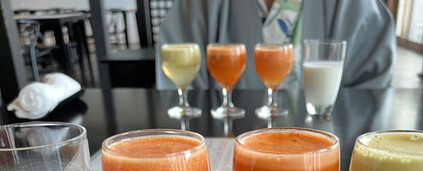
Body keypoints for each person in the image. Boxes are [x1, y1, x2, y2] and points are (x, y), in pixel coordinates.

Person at [154, 0, 396, 90]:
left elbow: (369, 97)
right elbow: (179, 87)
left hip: (323, 157)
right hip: (227, 156)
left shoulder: (354, 6)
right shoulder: (199, 5)